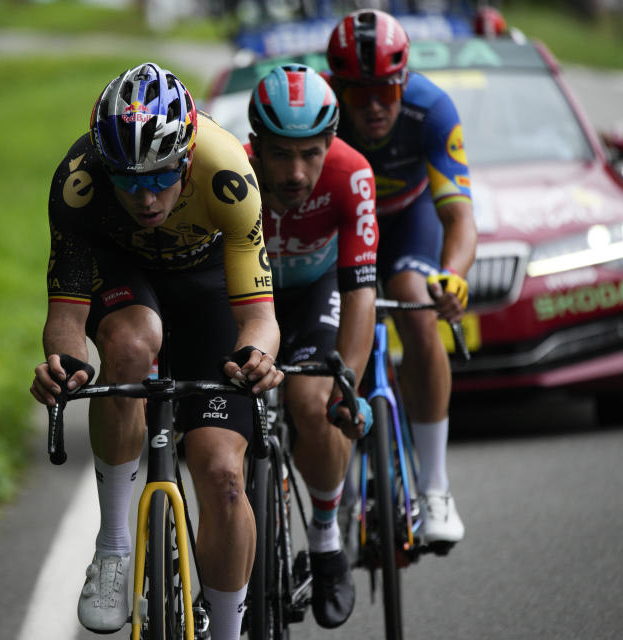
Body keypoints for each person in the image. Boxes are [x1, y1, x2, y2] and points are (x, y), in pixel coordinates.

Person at [30, 62, 283, 640]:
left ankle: (225, 630)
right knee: (131, 343)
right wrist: (64, 369)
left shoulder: (228, 173)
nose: (145, 197)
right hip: (125, 280)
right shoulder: (78, 184)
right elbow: (66, 319)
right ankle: (114, 547)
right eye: (129, 180)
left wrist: (256, 358)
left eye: (161, 177)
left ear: (188, 158)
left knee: (222, 475)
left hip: (208, 288)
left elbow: (258, 317)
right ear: (104, 165)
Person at [325, 9, 478, 545]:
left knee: (417, 303)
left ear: (404, 82)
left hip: (408, 223)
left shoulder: (431, 109)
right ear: (335, 86)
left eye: (385, 92)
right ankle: (337, 489)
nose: (372, 107)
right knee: (330, 332)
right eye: (358, 92)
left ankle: (435, 487)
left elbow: (459, 216)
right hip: (340, 230)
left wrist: (453, 277)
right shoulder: (319, 112)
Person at [245, 64, 379, 628]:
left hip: (318, 291)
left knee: (312, 404)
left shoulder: (352, 174)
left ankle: (325, 544)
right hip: (248, 295)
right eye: (280, 155)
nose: (296, 173)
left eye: (310, 154)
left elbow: (361, 294)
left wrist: (347, 384)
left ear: (331, 143)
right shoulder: (232, 172)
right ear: (255, 148)